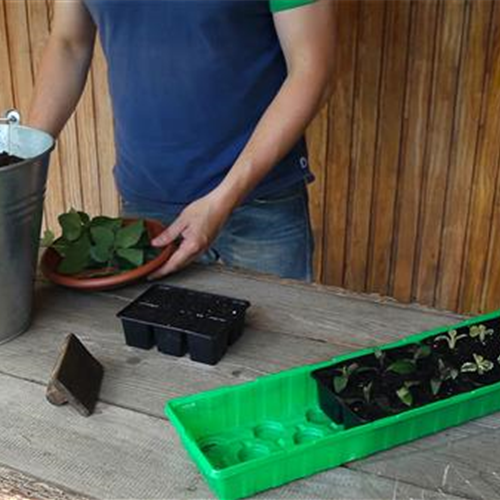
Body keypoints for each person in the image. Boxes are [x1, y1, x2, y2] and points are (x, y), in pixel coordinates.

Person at [28, 0, 334, 281]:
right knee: (149, 338)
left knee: (280, 336)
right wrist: (23, 164)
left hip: (260, 204)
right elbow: (68, 44)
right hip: (147, 203)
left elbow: (313, 72)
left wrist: (225, 197)